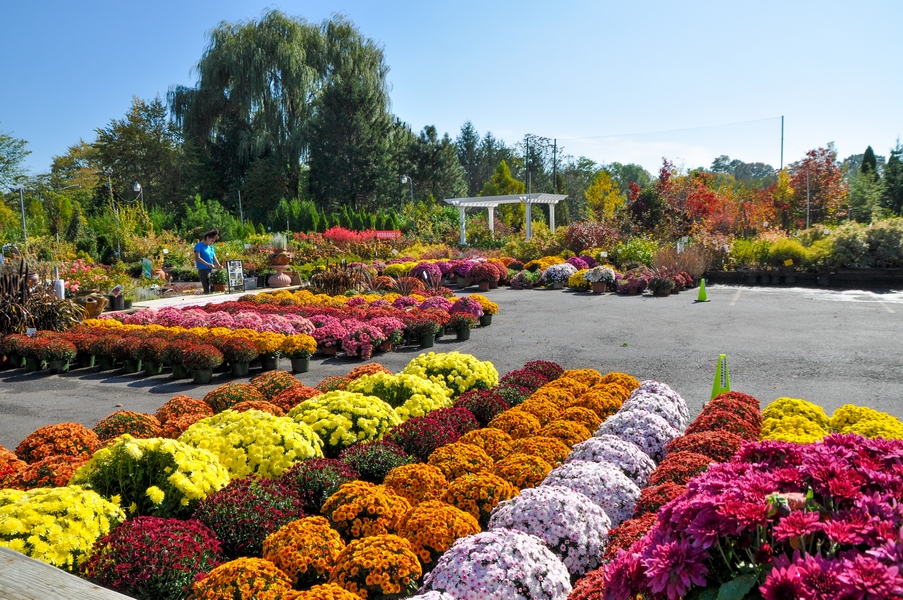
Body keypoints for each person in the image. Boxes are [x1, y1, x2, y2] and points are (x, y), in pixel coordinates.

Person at [194, 229, 222, 294]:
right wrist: (208, 264)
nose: (212, 242)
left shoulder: (211, 247)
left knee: (213, 287)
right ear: (207, 238)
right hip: (203, 270)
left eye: (213, 241)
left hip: (211, 269)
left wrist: (219, 265)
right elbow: (197, 258)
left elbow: (214, 257)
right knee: (207, 288)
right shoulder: (199, 245)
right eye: (211, 240)